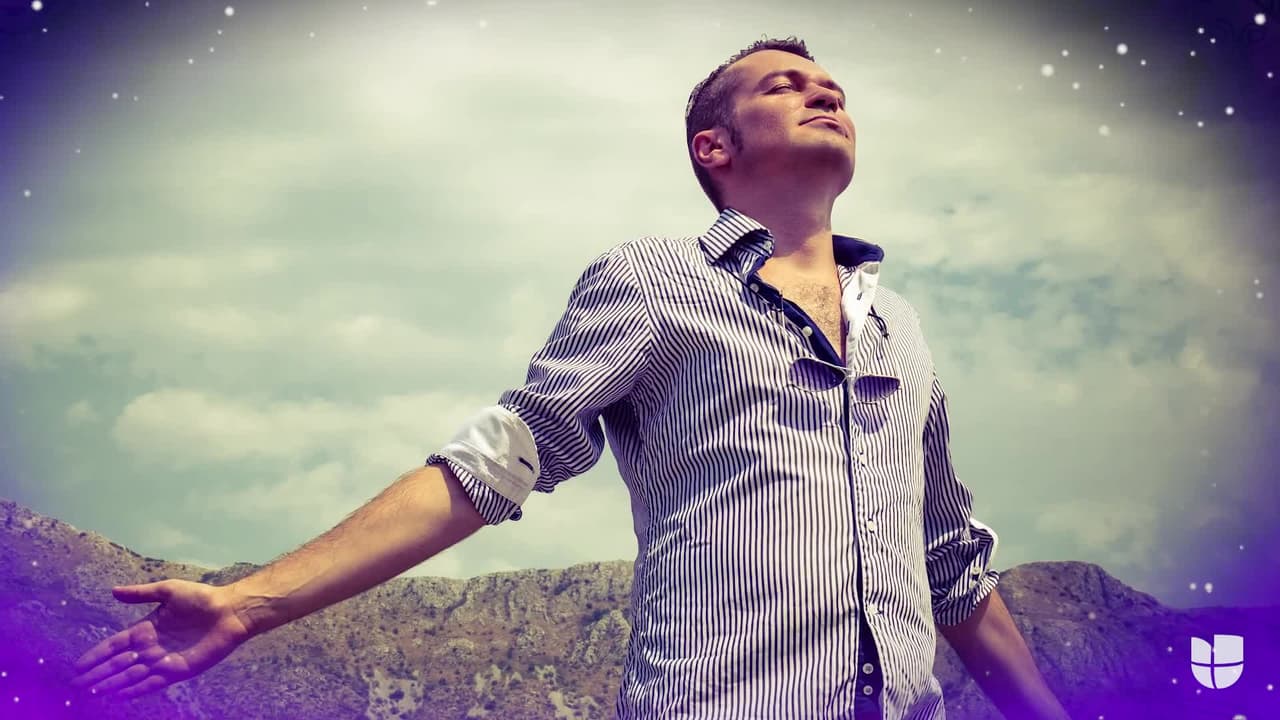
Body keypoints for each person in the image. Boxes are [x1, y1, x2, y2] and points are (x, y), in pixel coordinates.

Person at [71, 36, 1072, 720]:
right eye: (784, 86)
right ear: (713, 147)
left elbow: (948, 566)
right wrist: (254, 601)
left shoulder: (901, 330)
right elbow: (494, 462)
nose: (824, 94)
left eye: (833, 89)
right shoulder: (657, 280)